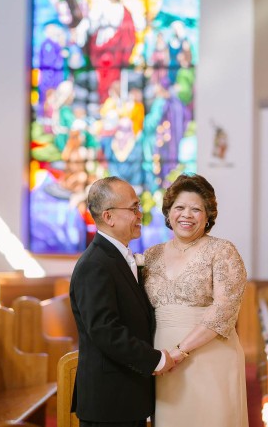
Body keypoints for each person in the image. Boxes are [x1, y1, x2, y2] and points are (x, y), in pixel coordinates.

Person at [142, 173, 248, 427]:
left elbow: (224, 308)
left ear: (208, 216)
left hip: (209, 354)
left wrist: (180, 351)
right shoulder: (152, 255)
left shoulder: (222, 251)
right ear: (168, 213)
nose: (186, 215)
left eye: (195, 209)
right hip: (163, 357)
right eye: (179, 207)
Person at [70, 177, 175, 427]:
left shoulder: (117, 257)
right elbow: (105, 331)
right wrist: (155, 359)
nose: (140, 214)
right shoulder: (94, 265)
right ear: (108, 217)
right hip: (109, 402)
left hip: (126, 396)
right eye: (133, 208)